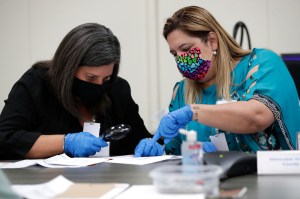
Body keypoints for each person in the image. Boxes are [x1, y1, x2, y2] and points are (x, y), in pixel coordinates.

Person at [135, 5, 300, 156]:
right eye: (174, 54)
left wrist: (194, 112)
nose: (180, 59)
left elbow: (256, 117)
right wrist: (159, 148)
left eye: (185, 49)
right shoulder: (182, 92)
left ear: (212, 41)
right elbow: (175, 152)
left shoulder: (261, 65)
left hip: (274, 182)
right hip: (210, 184)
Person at [0, 23, 164, 159]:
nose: (100, 85)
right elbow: (5, 138)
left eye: (106, 79)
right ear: (69, 68)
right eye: (91, 78)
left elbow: (138, 138)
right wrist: (65, 142)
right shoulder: (37, 83)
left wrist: (151, 145)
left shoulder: (117, 89)